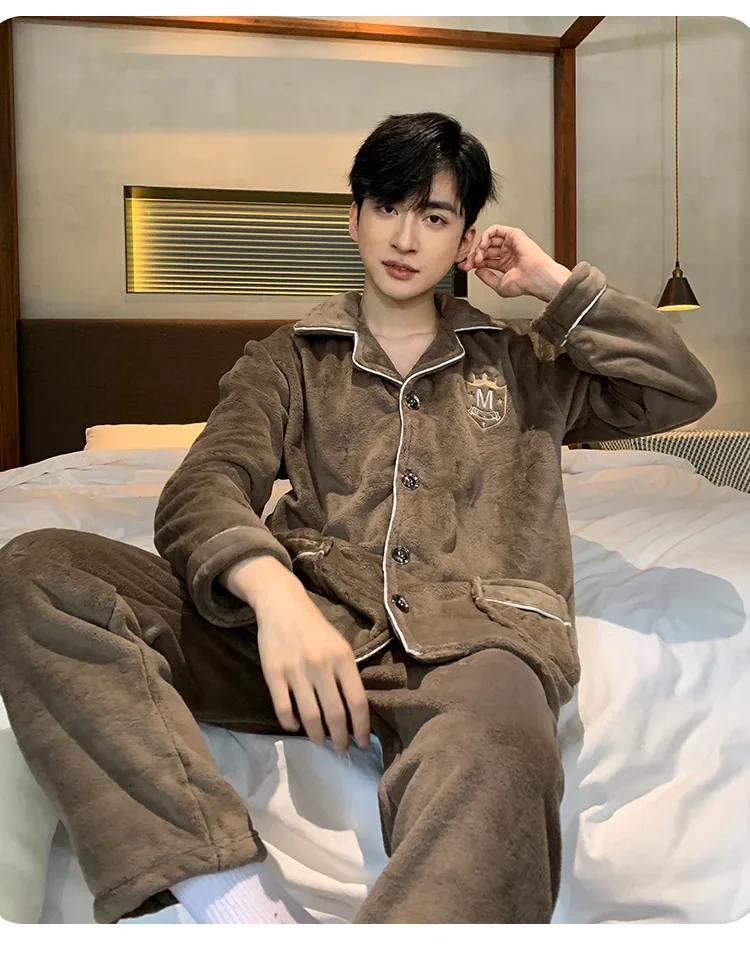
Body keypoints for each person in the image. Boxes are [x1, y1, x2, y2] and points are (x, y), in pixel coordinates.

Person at [0, 111, 716, 925]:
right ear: (355, 217)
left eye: (434, 217)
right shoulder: (290, 358)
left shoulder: (524, 361)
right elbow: (205, 485)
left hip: (472, 641)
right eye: (387, 207)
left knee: (503, 750)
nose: (405, 238)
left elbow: (680, 389)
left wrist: (553, 284)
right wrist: (275, 596)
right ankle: (227, 904)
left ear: (466, 240)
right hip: (305, 625)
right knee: (40, 571)